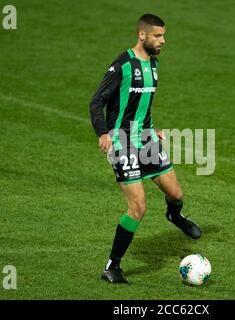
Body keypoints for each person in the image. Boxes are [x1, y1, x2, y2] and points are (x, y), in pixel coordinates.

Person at [89, 13, 201, 284]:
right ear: (142, 35)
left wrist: (153, 128)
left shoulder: (154, 64)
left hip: (146, 139)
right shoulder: (123, 64)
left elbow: (143, 105)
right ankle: (112, 266)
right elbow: (97, 102)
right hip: (121, 141)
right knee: (138, 205)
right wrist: (103, 132)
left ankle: (174, 216)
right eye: (158, 36)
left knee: (175, 193)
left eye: (163, 35)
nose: (163, 40)